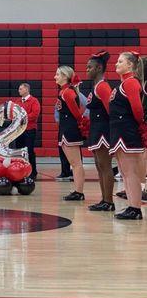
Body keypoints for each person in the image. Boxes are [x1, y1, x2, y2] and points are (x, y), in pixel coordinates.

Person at [109, 52, 145, 220]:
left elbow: (138, 110)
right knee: (124, 172)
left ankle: (135, 208)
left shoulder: (131, 82)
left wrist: (138, 126)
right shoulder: (125, 83)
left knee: (130, 172)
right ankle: (132, 206)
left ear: (130, 65)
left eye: (120, 61)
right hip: (120, 131)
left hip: (127, 131)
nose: (116, 64)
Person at [84, 51, 115, 211]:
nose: (87, 70)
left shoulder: (102, 86)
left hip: (103, 130)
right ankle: (104, 199)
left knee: (105, 165)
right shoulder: (96, 86)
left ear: (99, 68)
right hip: (96, 129)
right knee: (99, 165)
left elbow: (112, 110)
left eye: (90, 67)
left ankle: (109, 202)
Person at [54, 66, 86, 200]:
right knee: (74, 163)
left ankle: (79, 192)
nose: (55, 77)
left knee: (76, 164)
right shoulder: (63, 91)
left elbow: (77, 114)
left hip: (70, 130)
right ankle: (77, 190)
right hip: (65, 129)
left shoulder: (67, 92)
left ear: (65, 77)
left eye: (57, 74)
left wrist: (81, 124)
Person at [15, 83, 40, 179]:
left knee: (29, 151)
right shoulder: (17, 101)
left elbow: (35, 114)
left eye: (21, 89)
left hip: (30, 130)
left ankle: (33, 172)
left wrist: (22, 118)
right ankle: (20, 171)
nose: (19, 90)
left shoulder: (34, 101)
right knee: (19, 150)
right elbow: (14, 114)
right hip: (19, 130)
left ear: (26, 89)